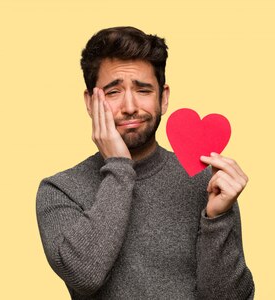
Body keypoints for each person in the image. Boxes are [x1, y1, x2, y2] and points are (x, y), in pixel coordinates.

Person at [35, 26, 255, 299]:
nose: (130, 106)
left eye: (143, 90)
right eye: (113, 92)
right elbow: (85, 275)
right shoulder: (60, 190)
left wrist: (217, 218)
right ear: (90, 102)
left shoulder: (204, 180)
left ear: (163, 98)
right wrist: (119, 167)